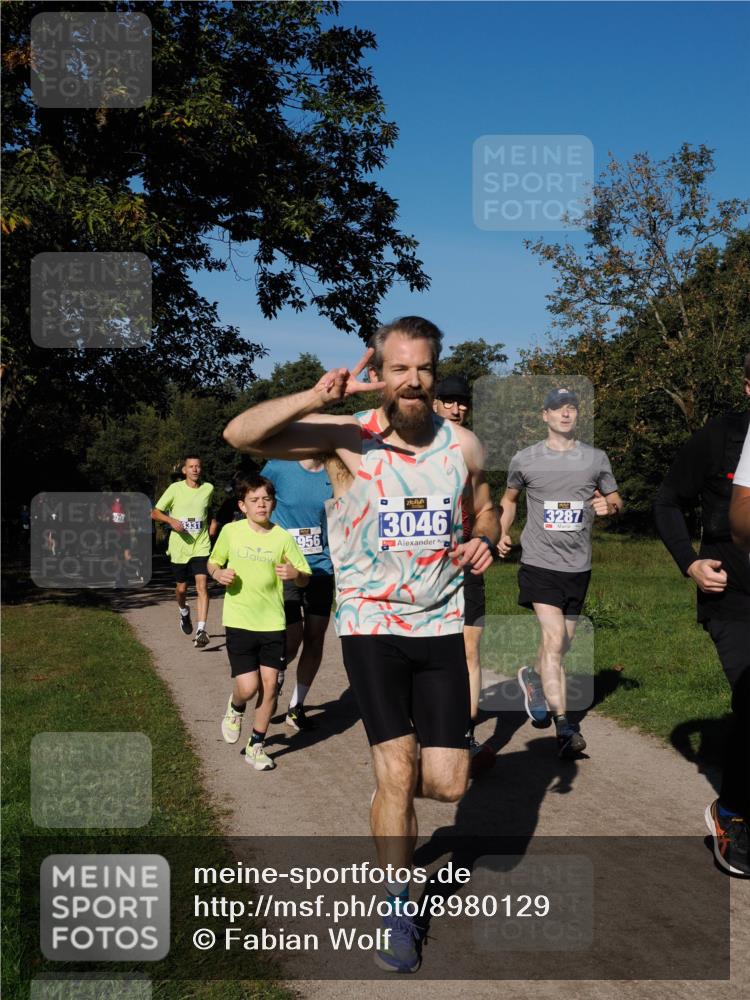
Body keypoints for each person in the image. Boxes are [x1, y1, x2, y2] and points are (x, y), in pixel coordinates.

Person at [223, 316, 499, 973]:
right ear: (380, 372)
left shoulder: (462, 445)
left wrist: (484, 534)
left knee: (448, 784)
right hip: (372, 625)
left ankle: (393, 806)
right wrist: (319, 396)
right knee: (397, 770)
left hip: (438, 624)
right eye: (398, 368)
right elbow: (240, 433)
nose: (412, 380)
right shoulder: (346, 437)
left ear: (435, 372)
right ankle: (397, 902)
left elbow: (483, 505)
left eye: (423, 368)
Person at [654, 358, 750, 877]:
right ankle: (732, 812)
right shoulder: (720, 438)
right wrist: (689, 562)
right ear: (748, 385)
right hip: (733, 600)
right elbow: (667, 500)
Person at [498, 388, 623, 758]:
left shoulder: (595, 459)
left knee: (561, 645)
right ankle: (565, 727)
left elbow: (616, 499)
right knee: (553, 640)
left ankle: (533, 678)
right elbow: (508, 501)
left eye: (571, 409)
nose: (565, 414)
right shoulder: (525, 459)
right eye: (558, 409)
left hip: (578, 566)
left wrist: (609, 506)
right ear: (545, 416)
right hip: (539, 564)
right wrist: (503, 531)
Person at [208, 474, 311, 771]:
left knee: (270, 687)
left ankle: (256, 745)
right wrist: (217, 574)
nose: (261, 504)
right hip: (240, 620)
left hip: (272, 622)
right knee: (248, 686)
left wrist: (296, 575)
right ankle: (236, 706)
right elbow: (214, 561)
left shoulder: (283, 537)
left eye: (266, 499)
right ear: (242, 505)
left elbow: (304, 576)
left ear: (273, 503)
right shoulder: (231, 531)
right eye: (254, 500)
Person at [433, 374, 495, 772]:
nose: (458, 408)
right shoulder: (415, 444)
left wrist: (488, 538)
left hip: (465, 560)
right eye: (449, 401)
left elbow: (488, 506)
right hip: (423, 567)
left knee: (470, 650)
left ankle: (466, 738)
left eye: (462, 402)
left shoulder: (471, 447)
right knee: (432, 651)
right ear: (435, 404)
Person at [260, 458, 334, 732]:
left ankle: (296, 706)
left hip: (320, 568)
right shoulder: (278, 466)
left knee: (315, 639)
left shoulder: (334, 470)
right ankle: (275, 675)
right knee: (292, 639)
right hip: (285, 567)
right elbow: (258, 499)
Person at [151, 456, 217, 648]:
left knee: (202, 586)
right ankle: (183, 611)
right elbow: (154, 512)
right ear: (184, 471)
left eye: (198, 466)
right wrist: (171, 521)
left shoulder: (209, 488)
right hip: (179, 546)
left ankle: (201, 629)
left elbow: (208, 509)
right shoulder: (175, 489)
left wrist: (211, 523)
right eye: (191, 467)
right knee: (181, 589)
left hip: (200, 544)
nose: (195, 469)